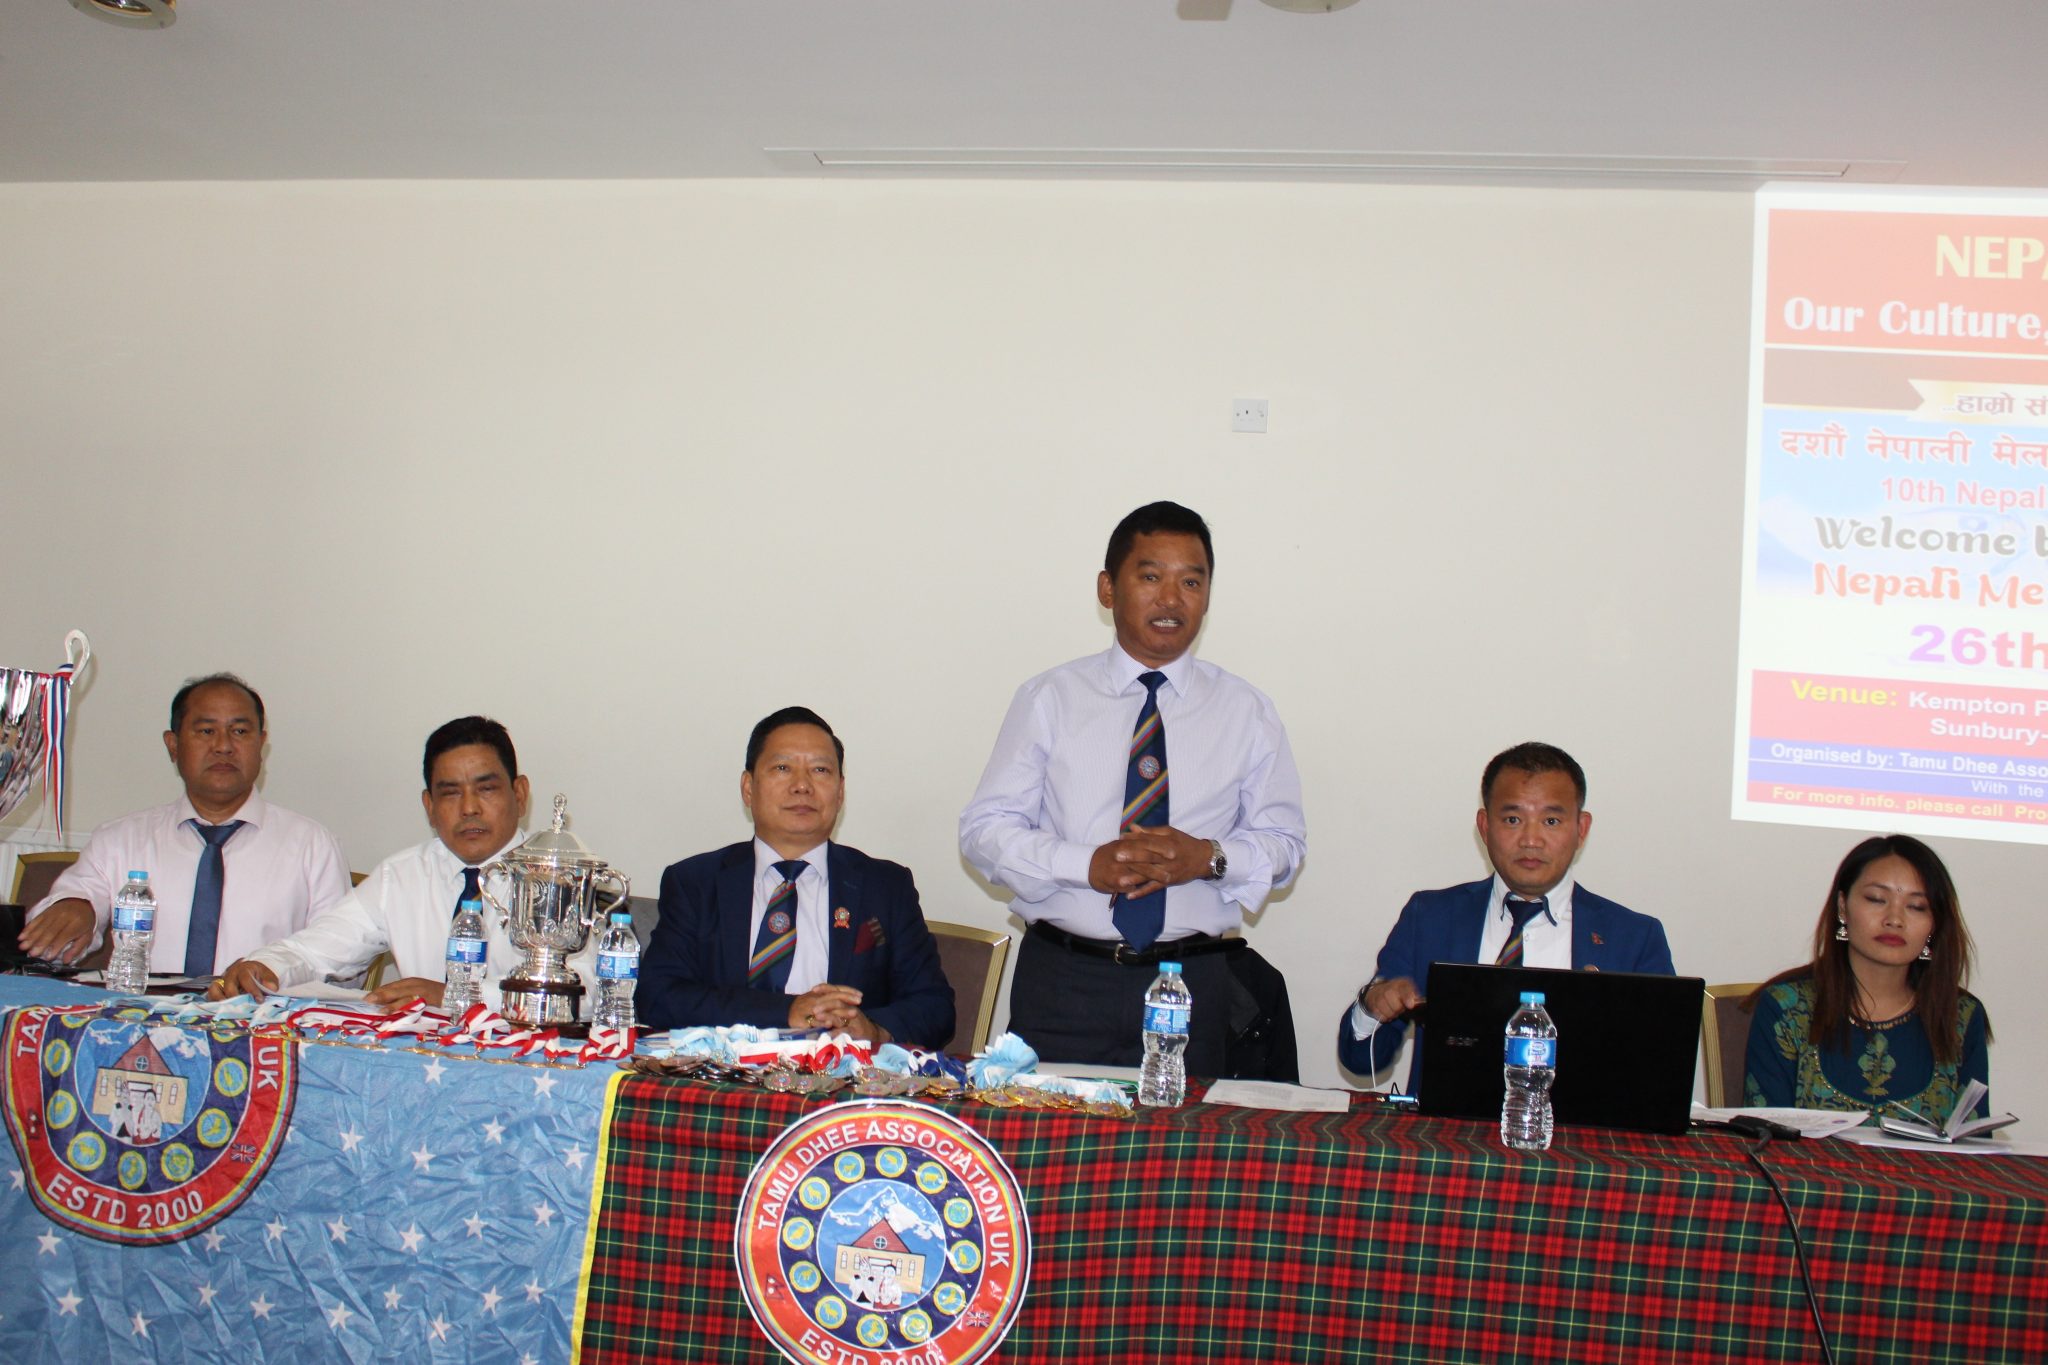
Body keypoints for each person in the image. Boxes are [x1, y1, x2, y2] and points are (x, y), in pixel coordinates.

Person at [959, 501, 1306, 1073]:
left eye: (1191, 582)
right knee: (1047, 1132)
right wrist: (1085, 865)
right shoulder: (1050, 698)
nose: (1171, 599)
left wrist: (1208, 858)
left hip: (1190, 983)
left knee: (1185, 1134)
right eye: (1151, 577)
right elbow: (983, 833)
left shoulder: (1246, 711)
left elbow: (1285, 846)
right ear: (1107, 588)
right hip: (1064, 982)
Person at [1339, 742, 1672, 1089]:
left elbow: (1661, 1072)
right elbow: (1361, 1060)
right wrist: (1373, 1005)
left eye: (1551, 821)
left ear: (1581, 829)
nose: (1531, 840)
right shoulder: (1430, 917)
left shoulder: (1634, 938)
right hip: (1448, 1124)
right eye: (1513, 819)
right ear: (1484, 827)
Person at [636, 707, 954, 1049]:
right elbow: (658, 996)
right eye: (782, 768)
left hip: (841, 1075)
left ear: (840, 792)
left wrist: (875, 1030)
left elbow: (934, 1007)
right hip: (725, 1071)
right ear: (748, 788)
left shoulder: (886, 886)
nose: (802, 786)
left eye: (820, 770)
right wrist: (787, 1011)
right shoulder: (695, 882)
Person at [208, 716, 571, 1013]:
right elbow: (315, 949)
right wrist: (265, 966)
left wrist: (456, 997)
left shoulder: (562, 879)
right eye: (450, 793)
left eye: (486, 789)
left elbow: (583, 994)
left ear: (519, 794)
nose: (469, 808)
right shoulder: (401, 876)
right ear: (429, 807)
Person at [20, 673, 350, 975]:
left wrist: (279, 972)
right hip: (141, 1013)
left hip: (260, 1016)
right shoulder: (119, 841)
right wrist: (77, 909)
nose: (223, 746)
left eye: (240, 731)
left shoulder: (312, 846)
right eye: (206, 731)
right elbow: (64, 922)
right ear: (173, 745)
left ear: (261, 744)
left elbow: (343, 965)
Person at [1743, 834, 1990, 1126]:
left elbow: (1974, 1141)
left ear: (1934, 924)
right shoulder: (1787, 1008)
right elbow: (1765, 1136)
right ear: (1843, 906)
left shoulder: (1961, 1016)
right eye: (1876, 899)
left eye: (1916, 906)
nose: (1894, 919)